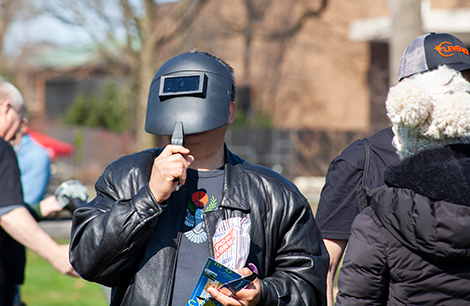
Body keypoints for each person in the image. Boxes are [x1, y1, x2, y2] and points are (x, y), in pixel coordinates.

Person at [70, 51, 329, 306]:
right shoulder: (128, 175)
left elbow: (309, 285)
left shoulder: (275, 194)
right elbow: (89, 262)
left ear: (229, 112)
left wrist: (264, 293)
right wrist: (149, 197)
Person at [315, 32, 470, 305]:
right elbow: (324, 268)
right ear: (409, 91)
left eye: (466, 81)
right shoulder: (360, 160)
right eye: (449, 80)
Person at [0, 79, 77, 305]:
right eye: (20, 115)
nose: (22, 125)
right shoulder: (3, 149)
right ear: (6, 108)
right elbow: (8, 212)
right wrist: (55, 253)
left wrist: (40, 208)